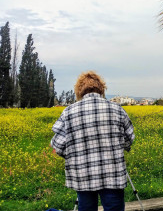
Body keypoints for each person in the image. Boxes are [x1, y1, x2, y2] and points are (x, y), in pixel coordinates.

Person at [50, 71, 135, 211]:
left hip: (82, 177)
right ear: (101, 88)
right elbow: (129, 139)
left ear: (79, 90)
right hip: (113, 176)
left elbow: (58, 145)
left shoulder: (68, 112)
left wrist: (74, 154)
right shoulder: (117, 109)